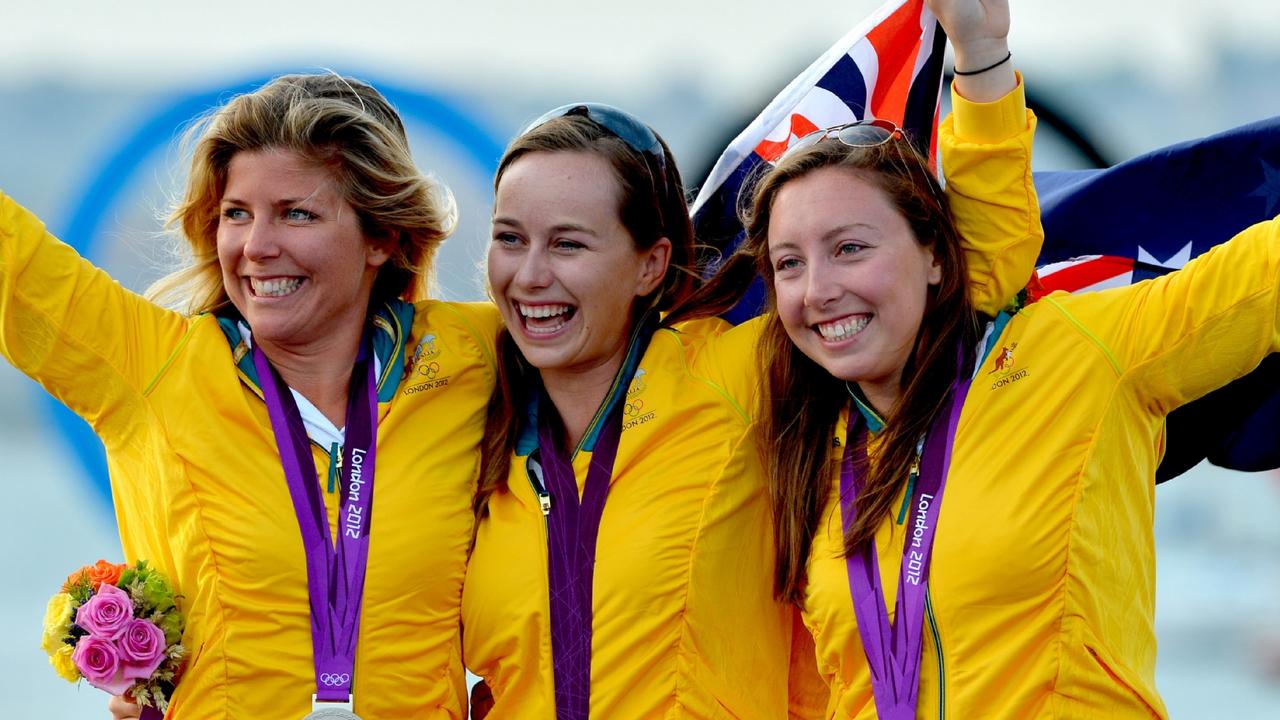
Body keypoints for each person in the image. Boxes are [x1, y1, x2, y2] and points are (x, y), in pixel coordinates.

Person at [460, 0, 1041, 715]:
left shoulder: (732, 372)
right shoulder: (464, 406)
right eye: (510, 239)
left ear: (651, 265)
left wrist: (981, 57)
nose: (530, 275)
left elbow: (968, 281)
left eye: (569, 244)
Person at [700, 4, 1280, 716]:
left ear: (937, 258)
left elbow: (1262, 279)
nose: (819, 290)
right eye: (789, 263)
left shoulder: (1081, 353)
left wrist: (980, 53)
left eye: (850, 248)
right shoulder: (805, 451)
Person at [4, 74, 499, 718]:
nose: (257, 248)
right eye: (237, 214)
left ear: (383, 237)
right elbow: (17, 264)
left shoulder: (472, 357)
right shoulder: (152, 368)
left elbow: (630, 314)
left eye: (296, 213)